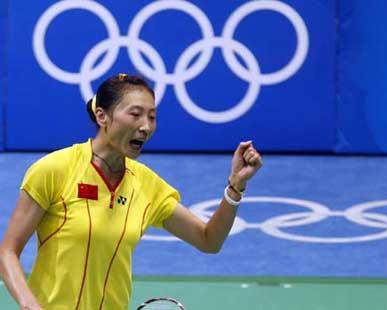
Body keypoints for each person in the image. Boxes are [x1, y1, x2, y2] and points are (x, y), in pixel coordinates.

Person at [0, 74, 262, 309]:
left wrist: (235, 186)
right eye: (135, 114)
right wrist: (30, 306)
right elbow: (7, 251)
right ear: (102, 116)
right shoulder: (55, 170)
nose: (146, 126)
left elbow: (209, 240)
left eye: (152, 116)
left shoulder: (147, 185)